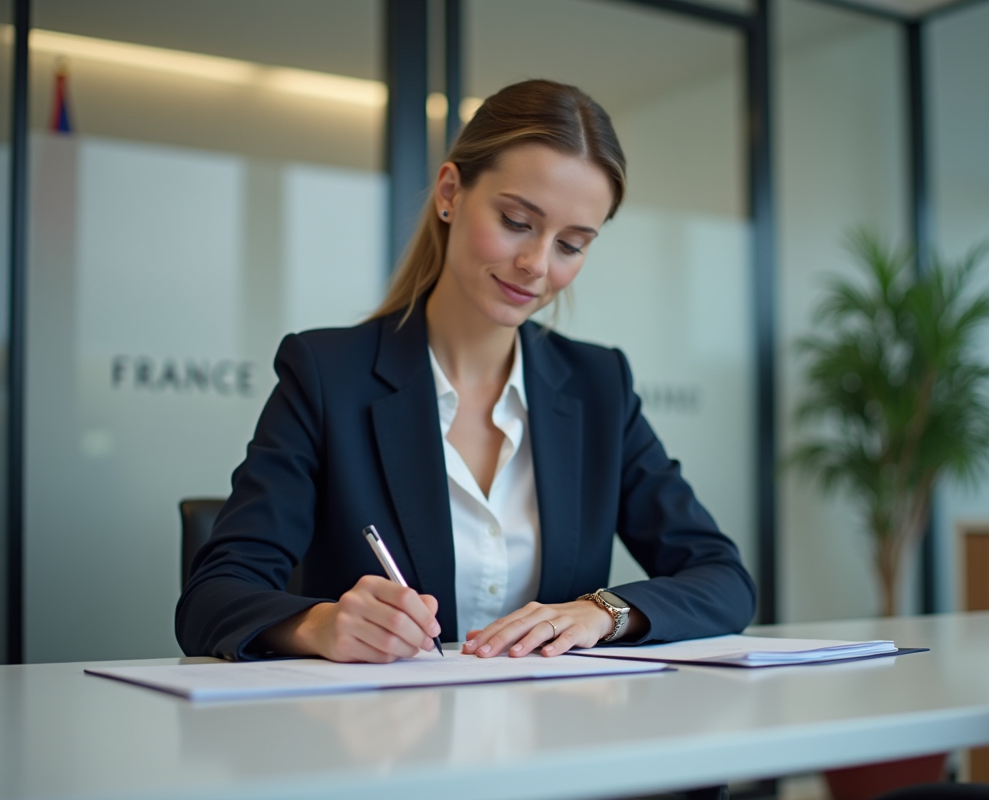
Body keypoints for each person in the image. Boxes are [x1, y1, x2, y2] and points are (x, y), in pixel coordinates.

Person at [175, 79, 756, 663]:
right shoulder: (328, 376)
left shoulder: (598, 386)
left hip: (553, 717)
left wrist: (603, 612)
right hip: (380, 719)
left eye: (572, 245)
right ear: (450, 192)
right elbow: (212, 596)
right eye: (516, 221)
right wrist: (320, 624)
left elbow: (723, 579)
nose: (536, 264)